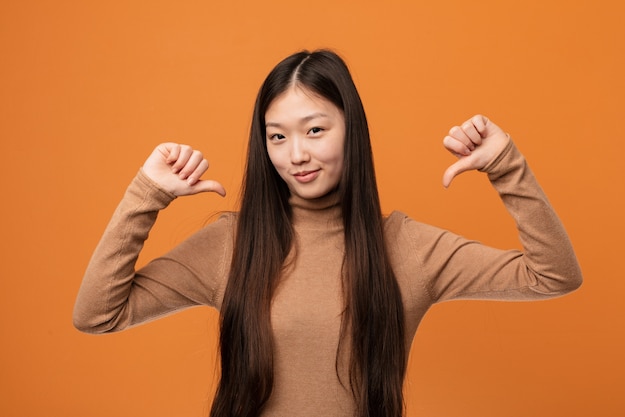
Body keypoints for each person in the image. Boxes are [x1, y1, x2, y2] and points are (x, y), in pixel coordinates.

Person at [73, 49, 582, 417]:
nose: (295, 155)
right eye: (278, 137)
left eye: (315, 130)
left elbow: (553, 275)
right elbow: (98, 314)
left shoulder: (407, 248)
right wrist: (146, 195)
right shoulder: (233, 244)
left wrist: (506, 167)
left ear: (351, 129)